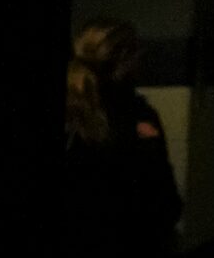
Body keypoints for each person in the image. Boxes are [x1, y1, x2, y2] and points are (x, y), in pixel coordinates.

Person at [61, 19, 182, 255]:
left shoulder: (75, 112)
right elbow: (162, 195)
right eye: (136, 49)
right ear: (122, 58)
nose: (142, 55)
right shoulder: (137, 117)